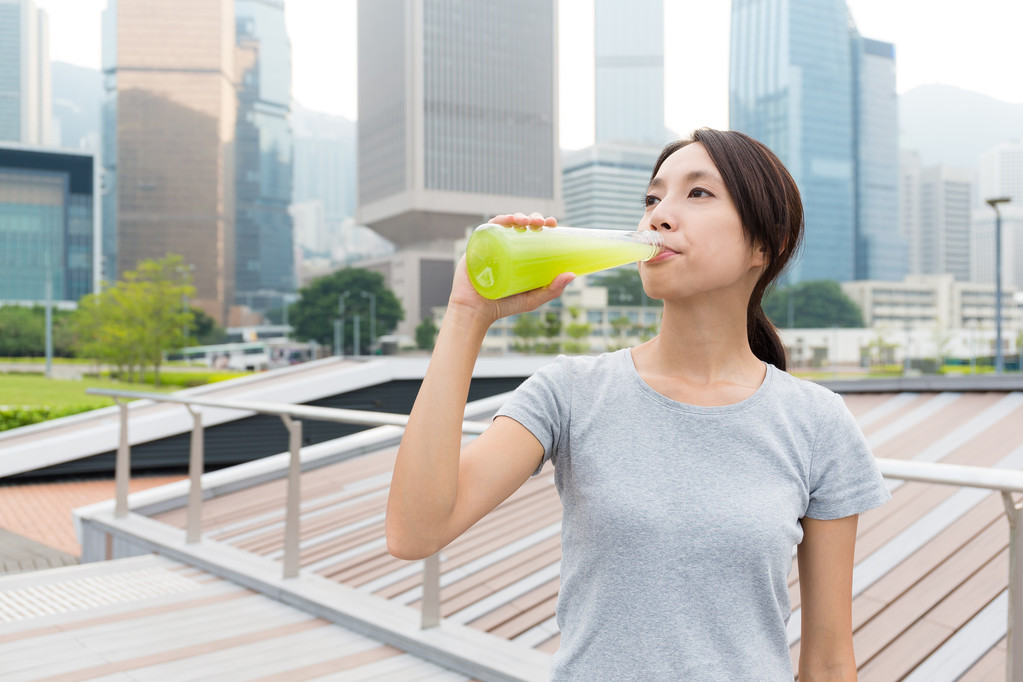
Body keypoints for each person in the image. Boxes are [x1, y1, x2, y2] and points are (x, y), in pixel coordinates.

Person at [386, 128, 891, 680]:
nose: (659, 216)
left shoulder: (816, 422)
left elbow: (828, 661)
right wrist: (467, 313)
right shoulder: (571, 391)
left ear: (764, 245)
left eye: (697, 194)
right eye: (653, 199)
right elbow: (415, 532)